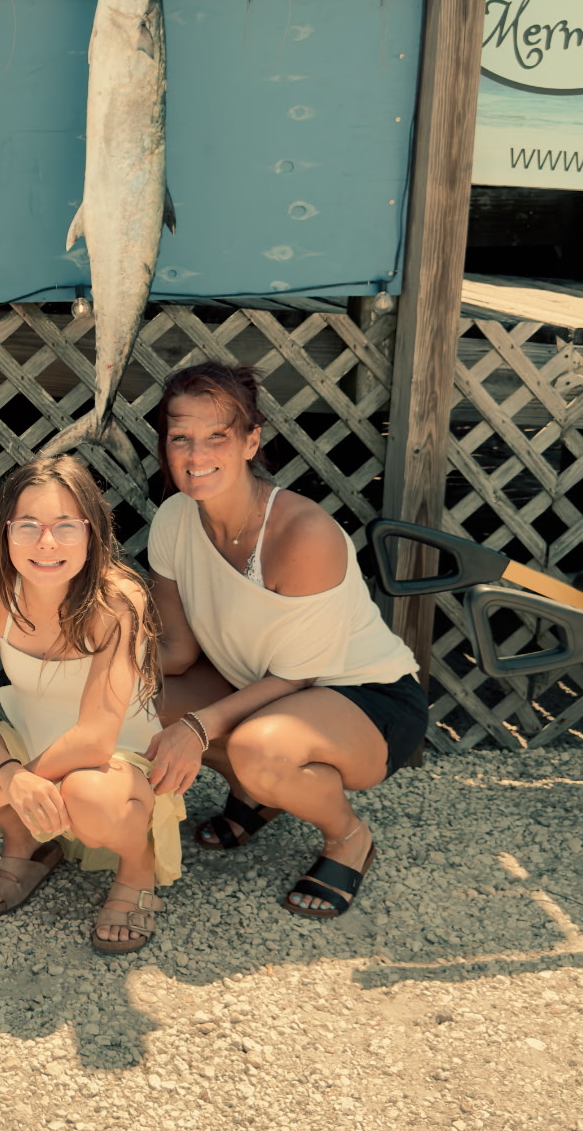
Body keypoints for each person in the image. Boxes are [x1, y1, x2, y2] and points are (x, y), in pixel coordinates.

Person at [145, 360, 427, 919]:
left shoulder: (304, 534)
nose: (196, 457)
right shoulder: (174, 519)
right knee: (143, 696)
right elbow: (176, 652)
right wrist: (87, 656)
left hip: (364, 697)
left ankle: (348, 838)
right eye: (181, 438)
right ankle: (257, 794)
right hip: (262, 690)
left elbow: (296, 675)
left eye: (216, 437)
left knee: (257, 747)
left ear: (252, 441)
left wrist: (197, 728)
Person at [0, 455, 184, 956]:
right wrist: (12, 775)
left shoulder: (117, 601)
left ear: (92, 531)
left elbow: (96, 737)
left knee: (86, 791)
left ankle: (137, 865)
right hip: (32, 755)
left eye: (65, 527)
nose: (46, 543)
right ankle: (27, 843)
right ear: (4, 531)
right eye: (28, 526)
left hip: (115, 769)